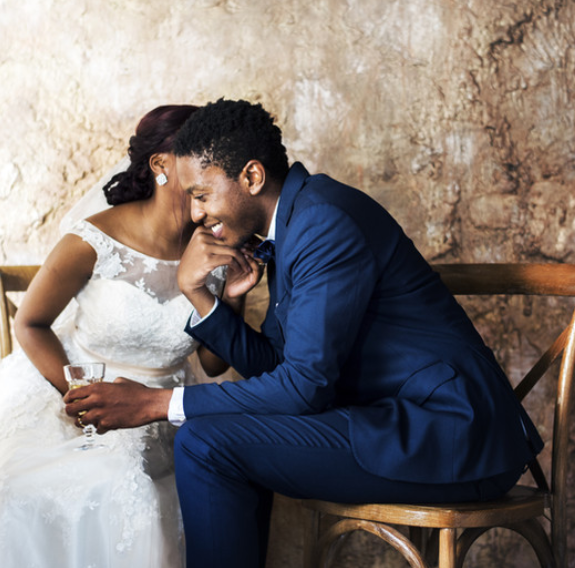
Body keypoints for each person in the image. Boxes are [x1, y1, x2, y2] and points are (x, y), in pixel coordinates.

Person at [65, 98, 544, 568]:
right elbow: (281, 367)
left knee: (205, 442)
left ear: (251, 177)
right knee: (212, 437)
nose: (195, 214)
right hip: (396, 423)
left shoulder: (323, 221)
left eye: (201, 194)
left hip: (451, 436)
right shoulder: (294, 221)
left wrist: (155, 403)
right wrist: (203, 297)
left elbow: (302, 388)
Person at [0, 104, 246, 568]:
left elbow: (212, 365)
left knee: (158, 489)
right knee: (45, 488)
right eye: (197, 154)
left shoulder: (216, 243)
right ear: (161, 165)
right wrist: (79, 392)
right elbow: (29, 322)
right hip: (76, 393)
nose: (210, 168)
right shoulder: (94, 240)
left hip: (163, 408)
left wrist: (229, 297)